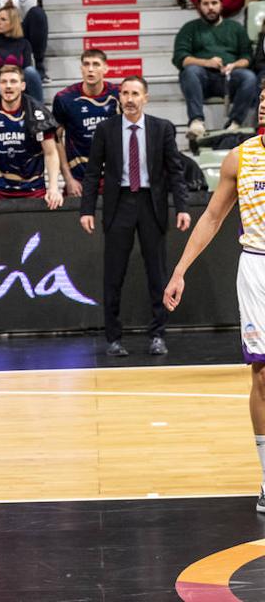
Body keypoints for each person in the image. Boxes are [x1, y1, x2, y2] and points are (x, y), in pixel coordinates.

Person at [163, 91, 265, 512]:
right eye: (261, 99)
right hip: (257, 268)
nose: (263, 105)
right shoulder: (240, 159)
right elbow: (212, 217)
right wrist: (180, 270)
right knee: (262, 375)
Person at [80, 76, 190, 357]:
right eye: (125, 93)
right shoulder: (106, 129)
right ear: (120, 98)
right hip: (120, 205)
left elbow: (175, 171)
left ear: (146, 98)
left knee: (158, 273)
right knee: (113, 275)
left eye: (135, 94)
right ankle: (113, 339)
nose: (129, 99)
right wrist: (86, 210)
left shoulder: (162, 128)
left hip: (151, 204)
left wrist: (182, 207)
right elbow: (93, 173)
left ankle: (157, 335)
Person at [0, 65, 62, 210]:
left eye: (13, 81)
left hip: (34, 190)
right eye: (4, 82)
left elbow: (51, 153)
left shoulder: (38, 112)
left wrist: (54, 188)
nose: (8, 86)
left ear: (23, 85)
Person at [173, 0, 255, 138]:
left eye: (214, 3)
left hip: (230, 77)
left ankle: (234, 123)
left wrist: (234, 65)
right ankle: (196, 121)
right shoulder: (189, 28)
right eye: (205, 4)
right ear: (199, 6)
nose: (210, 7)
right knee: (190, 71)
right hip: (202, 79)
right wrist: (207, 63)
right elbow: (180, 58)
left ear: (221, 4)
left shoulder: (235, 28)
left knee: (249, 77)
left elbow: (247, 57)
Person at [52, 48, 119, 198]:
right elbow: (56, 139)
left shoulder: (118, 94)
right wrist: (68, 179)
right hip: (80, 179)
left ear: (105, 68)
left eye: (96, 64)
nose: (90, 69)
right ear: (81, 68)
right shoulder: (64, 98)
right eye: (86, 64)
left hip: (114, 176)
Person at [0, 4, 42, 101]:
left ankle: (39, 110)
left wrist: (14, 84)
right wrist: (5, 84)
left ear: (13, 22)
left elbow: (25, 70)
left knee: (31, 71)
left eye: (3, 19)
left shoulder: (24, 43)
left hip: (18, 82)